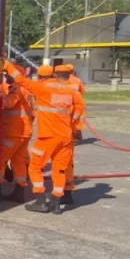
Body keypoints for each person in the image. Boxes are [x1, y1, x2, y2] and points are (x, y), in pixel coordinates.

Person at [4, 61, 85, 214]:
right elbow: (80, 107)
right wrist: (74, 125)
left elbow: (20, 79)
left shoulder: (41, 87)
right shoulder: (70, 90)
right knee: (59, 169)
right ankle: (56, 201)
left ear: (44, 76)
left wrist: (8, 65)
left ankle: (40, 200)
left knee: (35, 167)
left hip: (48, 137)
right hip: (66, 136)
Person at [0, 60, 34, 202]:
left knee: (1, 161)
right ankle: (19, 191)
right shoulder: (26, 89)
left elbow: (8, 104)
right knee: (19, 162)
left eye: (8, 74)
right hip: (24, 132)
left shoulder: (17, 88)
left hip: (13, 132)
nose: (7, 76)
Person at [55, 64, 86, 205]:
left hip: (59, 128)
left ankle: (57, 193)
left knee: (57, 162)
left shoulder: (55, 86)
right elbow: (81, 102)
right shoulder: (77, 82)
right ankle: (67, 191)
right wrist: (78, 129)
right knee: (67, 161)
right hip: (71, 127)